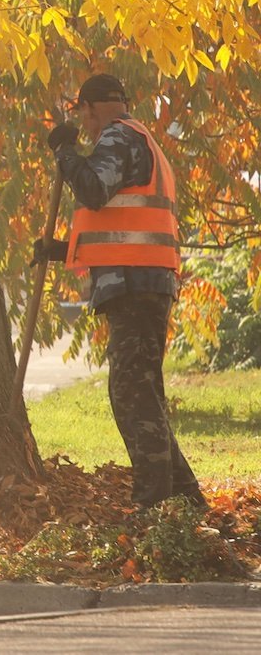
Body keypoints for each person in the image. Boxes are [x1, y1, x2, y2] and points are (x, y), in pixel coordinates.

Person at [34, 73, 205, 514]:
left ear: (90, 108)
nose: (85, 127)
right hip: (147, 280)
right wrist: (60, 250)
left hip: (135, 284)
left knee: (131, 392)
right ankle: (185, 502)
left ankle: (154, 506)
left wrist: (64, 151)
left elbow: (93, 190)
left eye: (83, 117)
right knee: (142, 391)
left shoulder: (118, 137)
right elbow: (120, 225)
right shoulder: (141, 140)